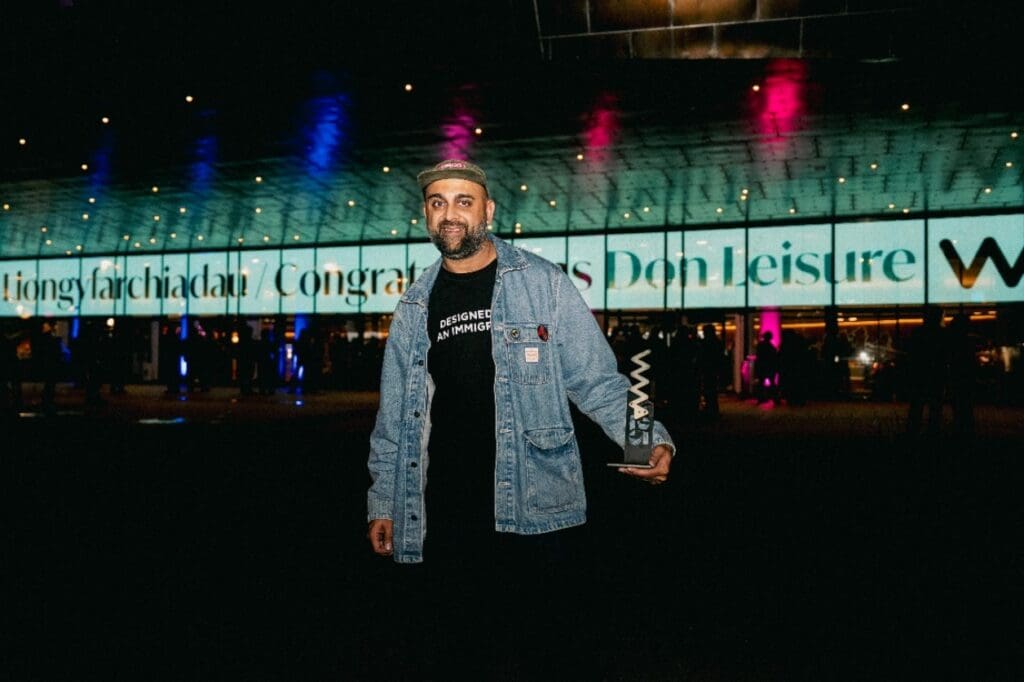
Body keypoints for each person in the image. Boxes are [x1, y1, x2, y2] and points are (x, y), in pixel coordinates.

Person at [365, 159, 675, 672]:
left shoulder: (542, 283)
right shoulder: (415, 305)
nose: (450, 214)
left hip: (535, 501)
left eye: (463, 201)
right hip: (444, 509)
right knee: (459, 650)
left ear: (488, 210)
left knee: (537, 649)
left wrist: (647, 440)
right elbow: (395, 415)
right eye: (438, 202)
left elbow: (600, 379)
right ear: (426, 214)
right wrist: (384, 502)